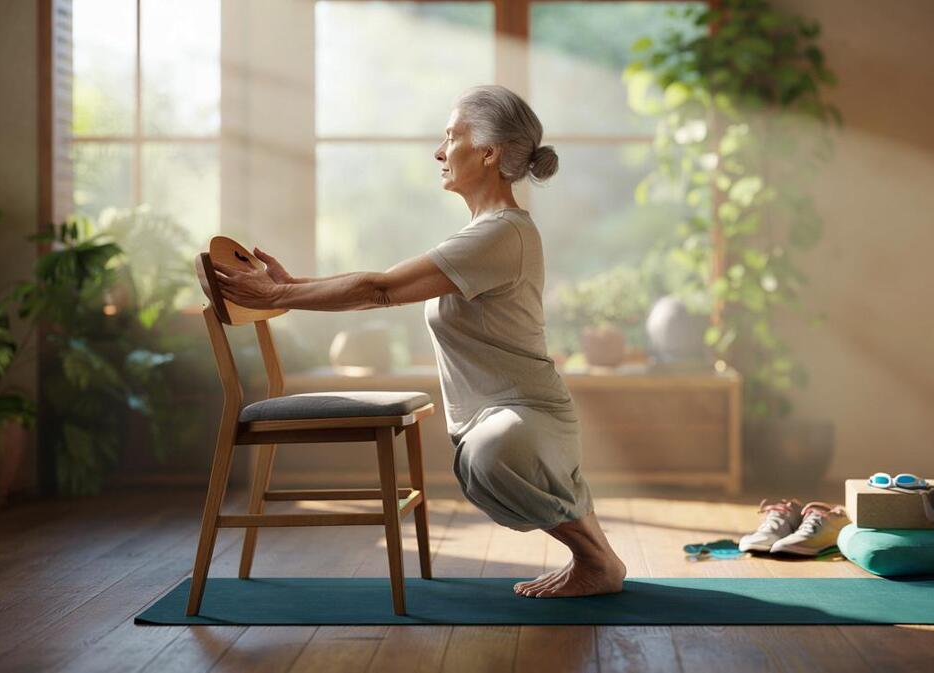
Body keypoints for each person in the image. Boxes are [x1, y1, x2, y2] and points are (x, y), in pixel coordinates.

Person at [213, 84, 627, 598]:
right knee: (487, 450)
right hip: (503, 415)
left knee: (492, 453)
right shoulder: (487, 232)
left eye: (451, 137)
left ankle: (597, 563)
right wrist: (288, 288)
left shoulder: (502, 234)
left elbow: (380, 290)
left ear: (488, 152)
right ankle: (600, 561)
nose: (439, 151)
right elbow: (381, 286)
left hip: (526, 415)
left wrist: (282, 293)